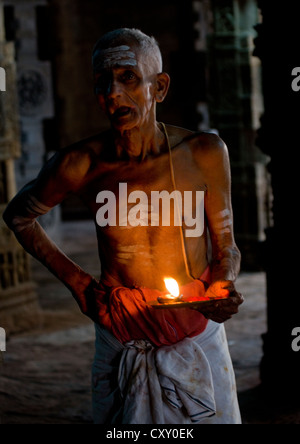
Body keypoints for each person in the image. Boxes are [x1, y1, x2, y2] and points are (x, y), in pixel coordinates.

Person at [3, 28, 244, 424]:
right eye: (102, 81)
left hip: (195, 332)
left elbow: (226, 246)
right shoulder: (82, 164)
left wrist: (222, 284)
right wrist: (79, 285)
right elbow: (19, 216)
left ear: (160, 87)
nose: (113, 93)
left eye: (127, 77)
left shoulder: (203, 153)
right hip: (120, 333)